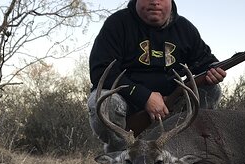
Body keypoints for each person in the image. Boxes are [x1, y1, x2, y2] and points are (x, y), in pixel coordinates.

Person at [87, 0, 226, 153]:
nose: (154, 2)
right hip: (127, 101)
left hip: (171, 107)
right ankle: (121, 153)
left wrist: (214, 71)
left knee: (211, 90)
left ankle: (179, 151)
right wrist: (144, 97)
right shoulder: (117, 23)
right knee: (102, 101)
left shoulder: (185, 29)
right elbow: (100, 71)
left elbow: (205, 61)